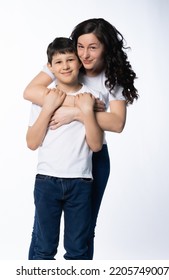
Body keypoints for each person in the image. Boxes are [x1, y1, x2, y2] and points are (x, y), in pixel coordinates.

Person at [24, 18, 139, 260]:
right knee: (42, 235)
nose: (84, 55)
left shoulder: (112, 76)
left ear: (106, 47)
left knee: (83, 233)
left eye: (93, 47)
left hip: (92, 158)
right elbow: (31, 92)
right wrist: (75, 103)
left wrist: (76, 113)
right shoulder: (66, 60)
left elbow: (117, 123)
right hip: (52, 167)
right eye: (80, 46)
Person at [26, 37, 104, 260]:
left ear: (79, 62)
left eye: (70, 60)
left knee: (78, 249)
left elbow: (96, 145)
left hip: (80, 182)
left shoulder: (92, 98)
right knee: (43, 248)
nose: (66, 66)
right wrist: (48, 107)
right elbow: (32, 143)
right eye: (58, 62)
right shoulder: (42, 98)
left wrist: (86, 111)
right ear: (50, 67)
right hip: (46, 181)